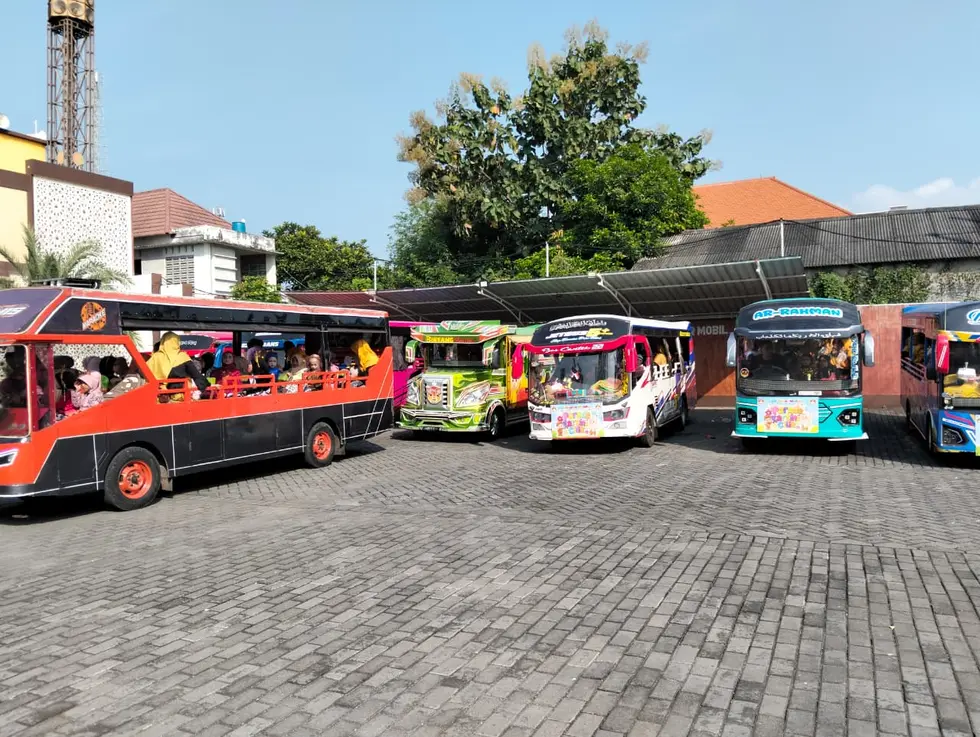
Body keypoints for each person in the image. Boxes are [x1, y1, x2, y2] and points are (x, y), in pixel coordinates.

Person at [147, 331, 209, 401]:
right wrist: (207, 386)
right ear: (177, 342)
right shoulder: (182, 357)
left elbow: (142, 373)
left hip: (158, 397)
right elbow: (196, 376)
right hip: (179, 398)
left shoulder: (155, 357)